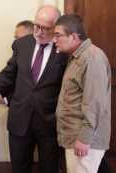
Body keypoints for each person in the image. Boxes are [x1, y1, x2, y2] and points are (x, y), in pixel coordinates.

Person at [0, 5, 68, 173]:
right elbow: (7, 76)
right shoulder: (22, 44)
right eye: (37, 26)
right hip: (20, 120)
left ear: (56, 28)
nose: (39, 32)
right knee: (19, 168)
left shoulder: (64, 49)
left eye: (46, 28)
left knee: (50, 168)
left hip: (49, 122)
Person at [53, 14, 111, 173]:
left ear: (73, 36)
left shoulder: (92, 58)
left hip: (84, 140)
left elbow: (94, 103)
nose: (54, 40)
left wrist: (84, 138)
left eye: (58, 35)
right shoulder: (76, 57)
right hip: (75, 137)